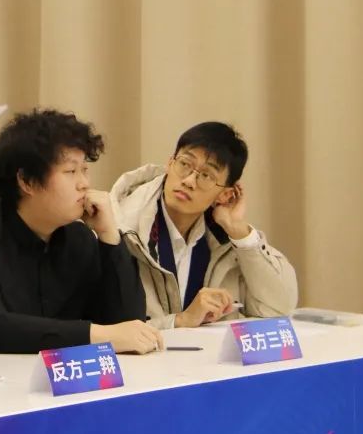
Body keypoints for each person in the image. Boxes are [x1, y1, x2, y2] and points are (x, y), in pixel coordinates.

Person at [0, 109, 161, 357]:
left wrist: (109, 235)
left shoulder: (79, 238)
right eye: (71, 172)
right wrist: (98, 336)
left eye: (85, 170)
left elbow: (129, 324)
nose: (84, 184)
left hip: (56, 378)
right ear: (27, 181)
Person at [110, 121, 298, 329]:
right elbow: (103, 329)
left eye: (206, 176)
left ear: (225, 194)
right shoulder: (120, 229)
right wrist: (179, 321)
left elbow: (279, 308)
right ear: (170, 163)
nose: (189, 181)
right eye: (184, 164)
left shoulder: (225, 240)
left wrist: (240, 233)